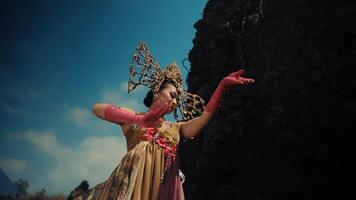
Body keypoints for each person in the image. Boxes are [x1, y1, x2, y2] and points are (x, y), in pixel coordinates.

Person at [86, 43, 255, 200]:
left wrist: (222, 87)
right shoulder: (131, 117)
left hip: (165, 190)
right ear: (157, 91)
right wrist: (142, 119)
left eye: (178, 99)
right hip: (134, 188)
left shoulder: (176, 128)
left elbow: (204, 118)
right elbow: (97, 108)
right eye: (172, 95)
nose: (175, 102)